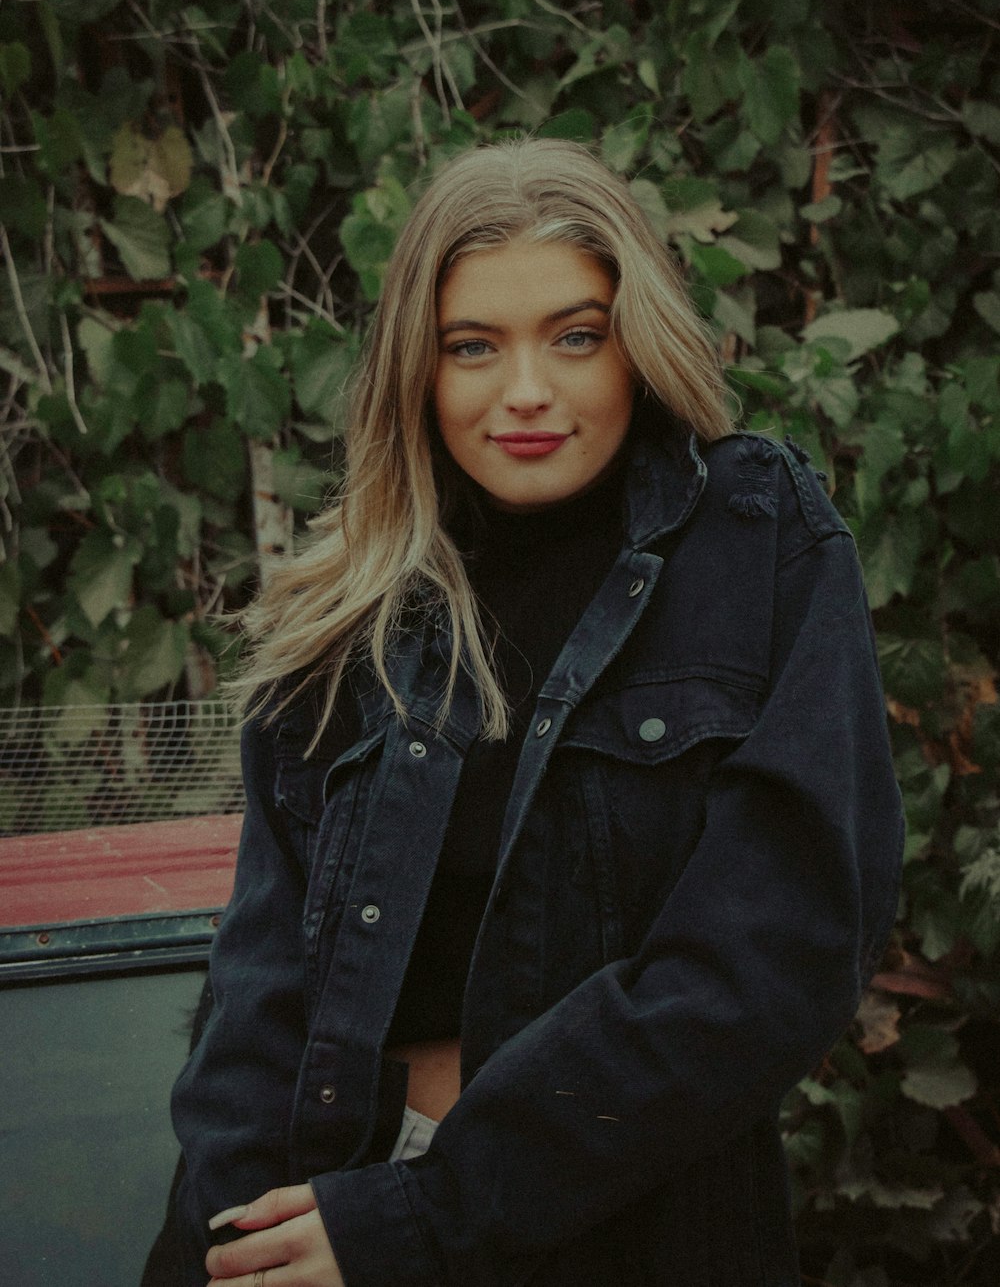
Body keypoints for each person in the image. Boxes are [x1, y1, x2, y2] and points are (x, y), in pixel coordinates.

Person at [167, 138, 903, 1287]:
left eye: (575, 336)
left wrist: (433, 1212)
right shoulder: (352, 609)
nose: (524, 391)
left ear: (637, 345)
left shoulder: (757, 542)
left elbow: (772, 954)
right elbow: (259, 994)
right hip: (334, 1210)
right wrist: (213, 1248)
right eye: (472, 346)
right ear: (418, 366)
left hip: (630, 1221)